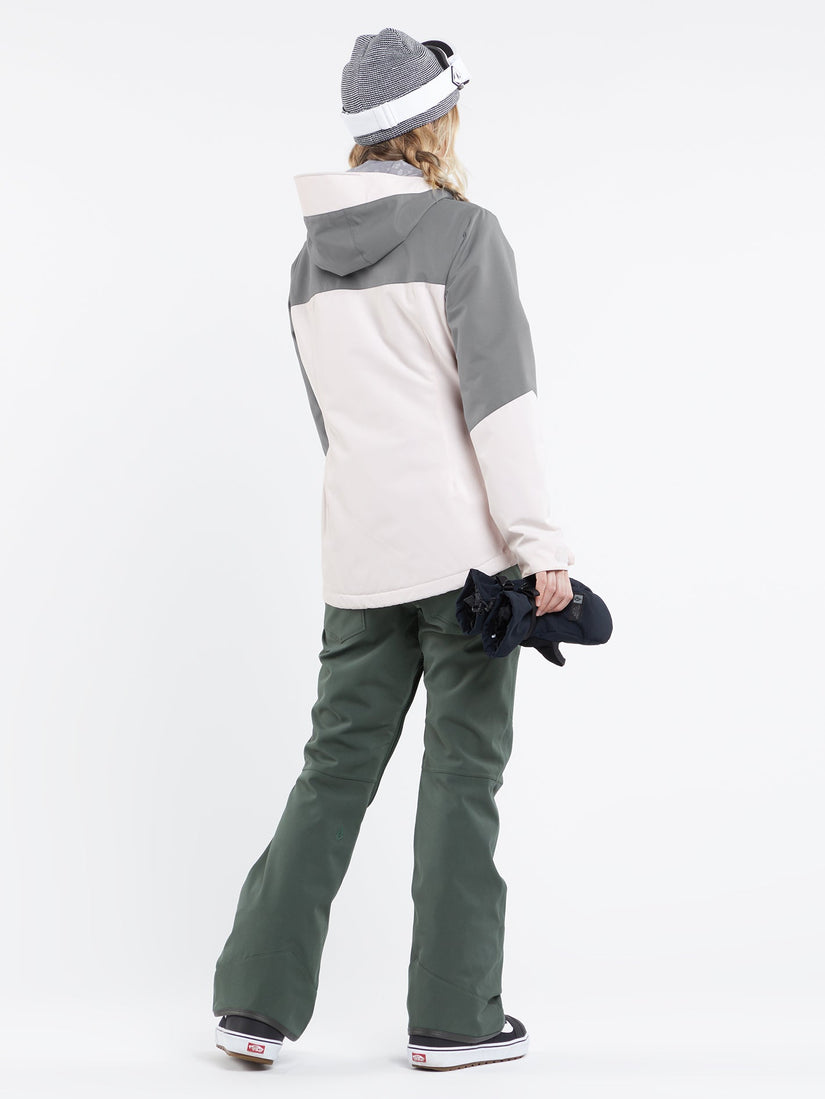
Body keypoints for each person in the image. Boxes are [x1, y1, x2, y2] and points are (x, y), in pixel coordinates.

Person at [212, 27, 575, 1072]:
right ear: (433, 124)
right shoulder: (466, 234)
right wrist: (539, 543)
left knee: (332, 772)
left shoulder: (307, 263)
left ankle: (251, 1005)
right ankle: (456, 1020)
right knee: (461, 776)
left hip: (358, 554)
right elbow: (500, 402)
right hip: (469, 569)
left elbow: (335, 425)